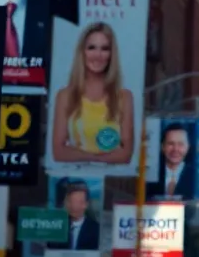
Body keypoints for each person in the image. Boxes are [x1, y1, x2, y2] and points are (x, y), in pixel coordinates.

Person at [51, 22, 136, 165]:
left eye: (105, 48)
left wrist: (86, 157)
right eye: (92, 48)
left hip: (112, 181)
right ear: (82, 52)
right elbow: (59, 152)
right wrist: (97, 159)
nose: (98, 55)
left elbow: (126, 153)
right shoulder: (65, 96)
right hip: (74, 178)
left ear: (111, 54)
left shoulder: (124, 97)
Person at [45, 181, 101, 251]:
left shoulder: (96, 230)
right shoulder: (57, 226)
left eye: (77, 202)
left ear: (86, 204)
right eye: (69, 201)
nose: (72, 206)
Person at [147, 123, 198, 199]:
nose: (175, 149)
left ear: (188, 147)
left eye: (180, 144)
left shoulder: (196, 176)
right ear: (162, 147)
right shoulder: (150, 174)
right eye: (171, 144)